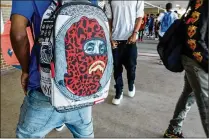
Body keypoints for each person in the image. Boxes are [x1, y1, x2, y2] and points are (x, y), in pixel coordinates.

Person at [10, 1, 95, 138]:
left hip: (43, 89)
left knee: (27, 135)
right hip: (81, 89)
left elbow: (18, 34)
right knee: (85, 134)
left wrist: (26, 70)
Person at [164, 0, 208, 138]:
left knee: (189, 94)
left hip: (196, 58)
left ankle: (173, 130)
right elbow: (193, 38)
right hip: (197, 60)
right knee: (206, 104)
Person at [105, 1, 144, 105]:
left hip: (130, 39)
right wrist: (109, 37)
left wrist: (135, 33)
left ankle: (131, 84)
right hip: (115, 39)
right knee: (117, 68)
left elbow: (139, 17)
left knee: (131, 67)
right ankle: (119, 91)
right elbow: (109, 19)